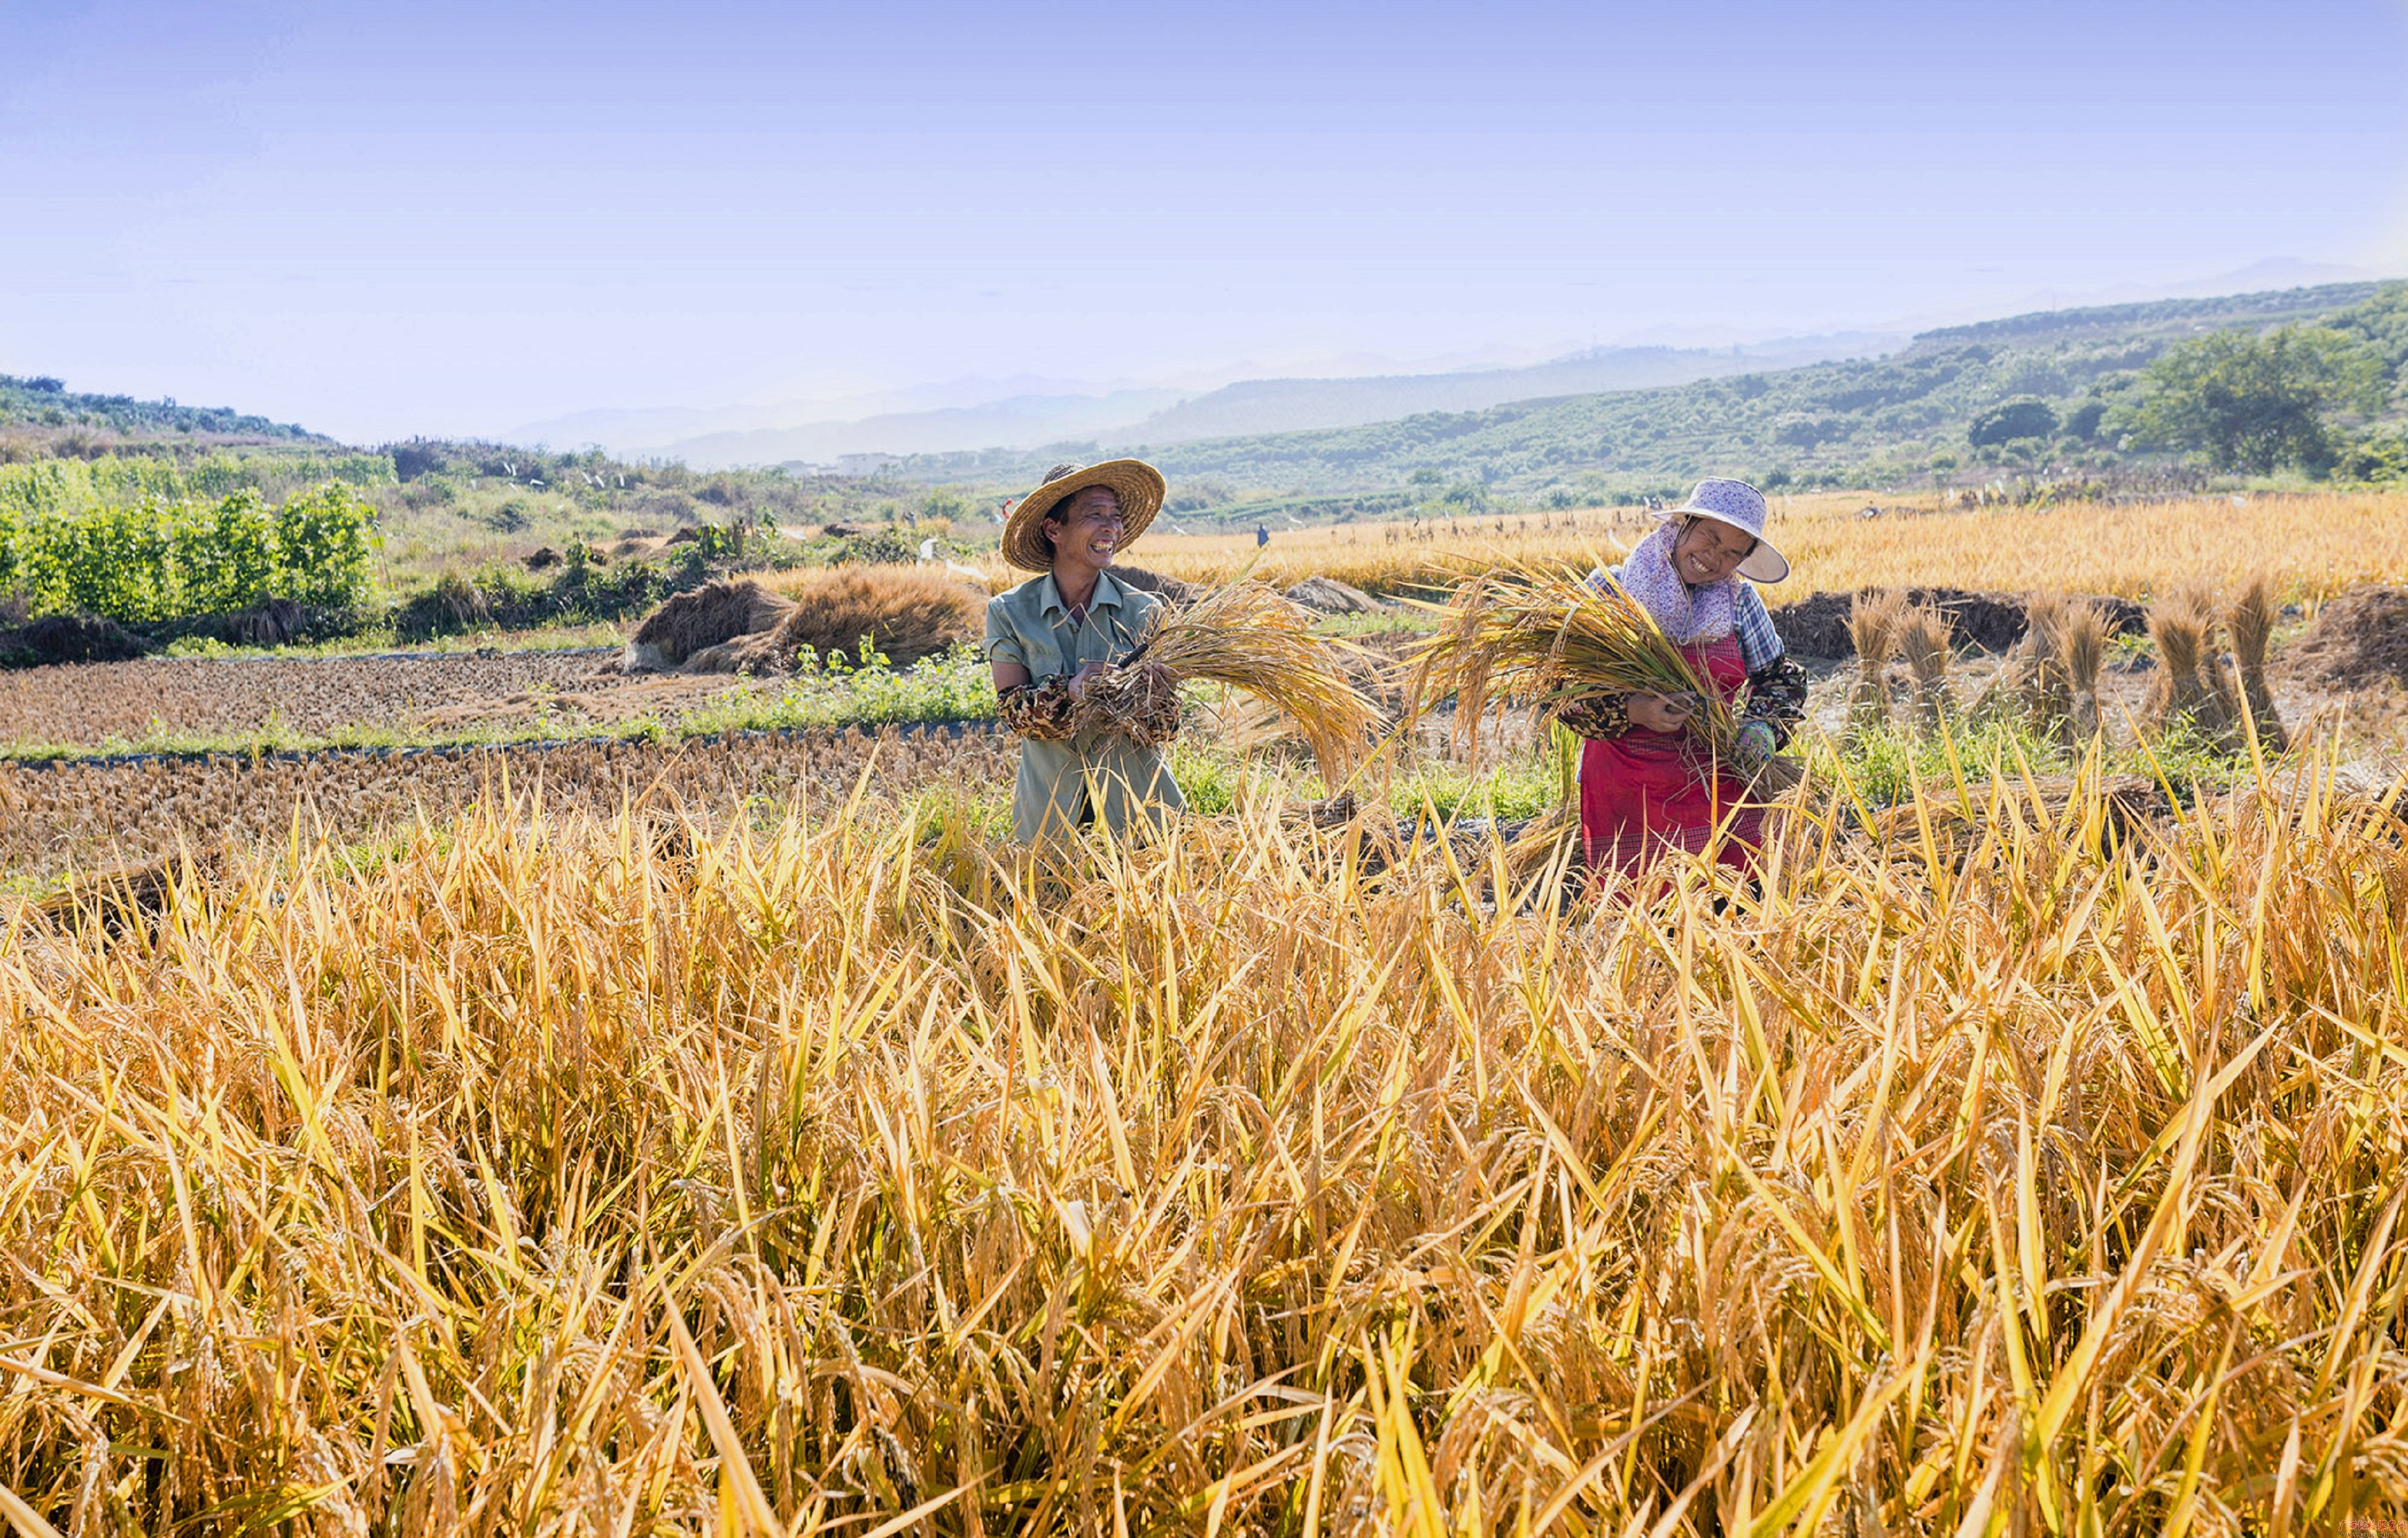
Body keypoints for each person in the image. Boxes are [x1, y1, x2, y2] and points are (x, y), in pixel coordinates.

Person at [1556, 478, 1808, 877]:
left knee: (1731, 903)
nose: (1714, 558)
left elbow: (1781, 680)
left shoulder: (1739, 603)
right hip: (1625, 792)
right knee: (1637, 914)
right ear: (1682, 524)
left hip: (1718, 782)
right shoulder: (1611, 592)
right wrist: (1636, 710)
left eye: (1731, 553)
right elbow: (1563, 692)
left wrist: (1761, 726)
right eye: (1709, 537)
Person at [985, 460, 1186, 844]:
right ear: (1053, 529)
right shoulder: (1009, 613)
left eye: (1115, 516)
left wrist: (1153, 698)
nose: (1110, 527)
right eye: (1095, 515)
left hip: (1139, 819)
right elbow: (1014, 713)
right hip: (1050, 821)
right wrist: (1072, 691)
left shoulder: (1145, 611)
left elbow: (1166, 729)